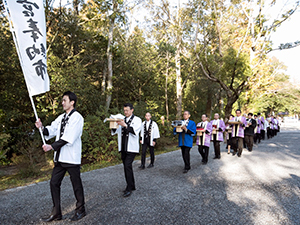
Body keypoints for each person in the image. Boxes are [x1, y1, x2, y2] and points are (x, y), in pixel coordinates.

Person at [35, 91, 86, 222]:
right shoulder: (61, 117)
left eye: (64, 100)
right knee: (54, 183)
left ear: (72, 102)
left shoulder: (77, 118)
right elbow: (51, 130)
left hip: (71, 157)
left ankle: (81, 210)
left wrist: (51, 147)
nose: (62, 103)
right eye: (62, 100)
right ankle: (57, 212)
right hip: (60, 157)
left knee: (76, 185)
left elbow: (68, 137)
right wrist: (41, 128)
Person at [112, 103, 142, 197]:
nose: (125, 112)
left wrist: (124, 125)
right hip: (123, 147)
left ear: (132, 110)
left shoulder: (137, 120)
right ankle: (131, 185)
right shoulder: (122, 119)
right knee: (126, 166)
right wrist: (114, 124)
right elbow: (115, 131)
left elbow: (135, 132)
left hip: (132, 148)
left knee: (127, 166)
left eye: (127, 110)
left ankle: (129, 188)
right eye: (124, 110)